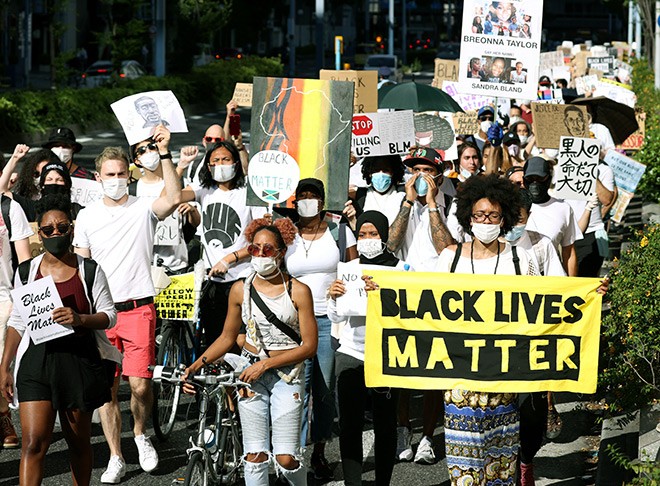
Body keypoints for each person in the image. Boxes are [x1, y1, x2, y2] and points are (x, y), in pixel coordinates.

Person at [73, 125, 182, 483]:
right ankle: (116, 456)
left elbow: (174, 197)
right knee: (106, 390)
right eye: (110, 175)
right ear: (99, 177)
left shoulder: (143, 209)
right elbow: (82, 267)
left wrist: (165, 153)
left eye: (122, 174)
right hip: (103, 315)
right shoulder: (87, 216)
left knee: (138, 385)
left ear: (129, 175)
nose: (116, 179)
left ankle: (139, 434)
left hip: (138, 308)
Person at [183, 217, 318, 486]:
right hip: (250, 375)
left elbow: (309, 346)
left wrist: (265, 365)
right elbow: (226, 337)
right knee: (254, 455)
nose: (260, 255)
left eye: (268, 250)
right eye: (255, 249)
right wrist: (194, 367)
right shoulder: (239, 290)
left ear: (280, 253)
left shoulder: (299, 291)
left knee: (285, 458)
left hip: (287, 376)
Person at [0, 194, 121, 486]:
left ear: (72, 229)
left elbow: (110, 315)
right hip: (37, 363)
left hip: (78, 361)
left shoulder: (89, 270)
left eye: (62, 228)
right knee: (32, 444)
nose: (56, 234)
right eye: (48, 230)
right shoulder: (27, 271)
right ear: (39, 234)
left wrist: (81, 319)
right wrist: (4, 367)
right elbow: (18, 321)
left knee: (78, 443)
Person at [434, 174, 538, 484]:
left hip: (504, 378)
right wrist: (378, 290)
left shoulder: (521, 258)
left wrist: (590, 296)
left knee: (500, 466)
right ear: (468, 217)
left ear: (504, 218)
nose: (485, 221)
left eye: (493, 215)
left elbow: (545, 305)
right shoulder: (449, 258)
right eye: (479, 215)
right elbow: (423, 303)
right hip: (459, 379)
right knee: (464, 470)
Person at [328, 211, 411, 485]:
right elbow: (337, 318)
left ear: (385, 236)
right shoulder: (350, 269)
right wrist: (334, 297)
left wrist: (383, 297)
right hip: (351, 353)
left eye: (373, 234)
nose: (367, 240)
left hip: (386, 356)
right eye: (362, 235)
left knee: (384, 426)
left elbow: (408, 314)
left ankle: (382, 482)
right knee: (350, 425)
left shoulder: (401, 270)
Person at [285, 178, 357, 480]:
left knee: (324, 390)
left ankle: (319, 452)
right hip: (291, 323)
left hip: (329, 322)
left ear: (323, 201)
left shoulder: (340, 232)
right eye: (302, 196)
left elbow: (355, 272)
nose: (307, 201)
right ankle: (294, 454)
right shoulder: (286, 234)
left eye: (313, 196)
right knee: (294, 390)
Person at [180, 140, 265, 349]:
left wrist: (229, 259)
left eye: (225, 159)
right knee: (214, 342)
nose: (220, 164)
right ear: (208, 166)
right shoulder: (204, 189)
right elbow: (171, 197)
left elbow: (259, 240)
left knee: (241, 340)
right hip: (212, 281)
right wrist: (180, 165)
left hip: (242, 278)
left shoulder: (249, 191)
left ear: (235, 163)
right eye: (215, 160)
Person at [0, 169, 32, 451]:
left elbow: (24, 262)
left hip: (2, 299)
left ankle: (2, 416)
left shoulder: (10, 208)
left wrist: (20, 300)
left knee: (1, 364)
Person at [350, 154, 406, 225]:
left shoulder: (403, 194)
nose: (381, 174)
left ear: (393, 172)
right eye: (376, 170)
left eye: (386, 170)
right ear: (369, 172)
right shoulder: (360, 196)